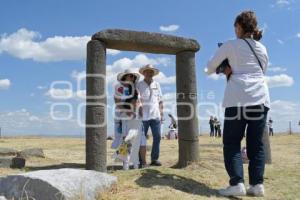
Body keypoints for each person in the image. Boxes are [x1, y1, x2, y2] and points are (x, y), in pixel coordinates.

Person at [205, 11, 270, 197]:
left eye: (235, 27)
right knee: (256, 144)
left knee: (232, 142)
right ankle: (257, 185)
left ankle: (237, 183)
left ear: (239, 26)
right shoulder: (262, 48)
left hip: (237, 98)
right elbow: (262, 70)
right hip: (260, 98)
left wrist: (225, 69)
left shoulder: (230, 45)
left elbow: (210, 67)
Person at [111, 69, 147, 168]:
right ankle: (125, 164)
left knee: (138, 139)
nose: (131, 78)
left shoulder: (136, 89)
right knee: (126, 138)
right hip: (123, 116)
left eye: (133, 76)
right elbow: (117, 102)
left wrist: (140, 111)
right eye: (129, 76)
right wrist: (127, 111)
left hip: (136, 117)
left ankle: (137, 163)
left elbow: (139, 102)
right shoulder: (119, 87)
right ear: (124, 77)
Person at [137, 64, 163, 166]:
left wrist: (161, 113)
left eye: (151, 72)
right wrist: (139, 109)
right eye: (147, 71)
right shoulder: (139, 84)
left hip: (156, 115)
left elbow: (160, 100)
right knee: (141, 139)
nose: (149, 73)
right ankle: (141, 161)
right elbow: (137, 99)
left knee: (158, 137)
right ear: (144, 73)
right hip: (143, 116)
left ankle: (154, 159)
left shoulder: (157, 84)